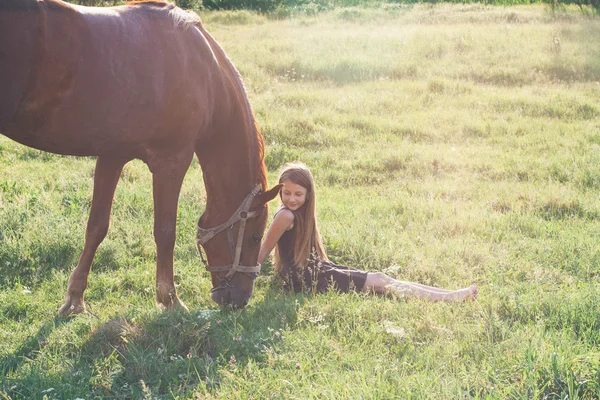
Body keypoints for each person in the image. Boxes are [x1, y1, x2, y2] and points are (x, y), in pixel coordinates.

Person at [258, 163, 478, 301]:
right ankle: (452, 297)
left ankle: (450, 294)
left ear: (308, 195)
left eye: (298, 194)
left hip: (314, 273)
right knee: (380, 282)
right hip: (308, 279)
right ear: (280, 190)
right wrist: (244, 274)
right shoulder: (285, 216)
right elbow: (266, 247)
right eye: (286, 192)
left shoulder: (298, 215)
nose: (291, 198)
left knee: (381, 282)